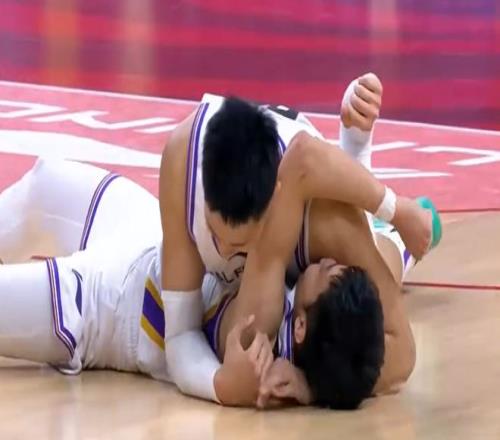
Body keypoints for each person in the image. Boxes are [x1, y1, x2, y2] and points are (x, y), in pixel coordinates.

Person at [0, 158, 433, 409]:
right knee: (44, 179)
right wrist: (313, 388)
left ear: (301, 326)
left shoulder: (258, 332)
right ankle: (408, 239)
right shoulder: (330, 340)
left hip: (107, 309)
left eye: (331, 273)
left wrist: (394, 208)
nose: (330, 262)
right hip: (152, 238)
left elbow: (301, 167)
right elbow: (384, 352)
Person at [159, 73, 436, 402]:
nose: (225, 251)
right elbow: (179, 334)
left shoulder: (326, 223)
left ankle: (376, 204)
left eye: (241, 244)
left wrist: (311, 385)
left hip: (310, 225)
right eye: (214, 235)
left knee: (360, 289)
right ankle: (363, 172)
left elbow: (402, 356)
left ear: (276, 202)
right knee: (245, 341)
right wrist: (223, 387)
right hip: (294, 192)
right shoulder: (180, 163)